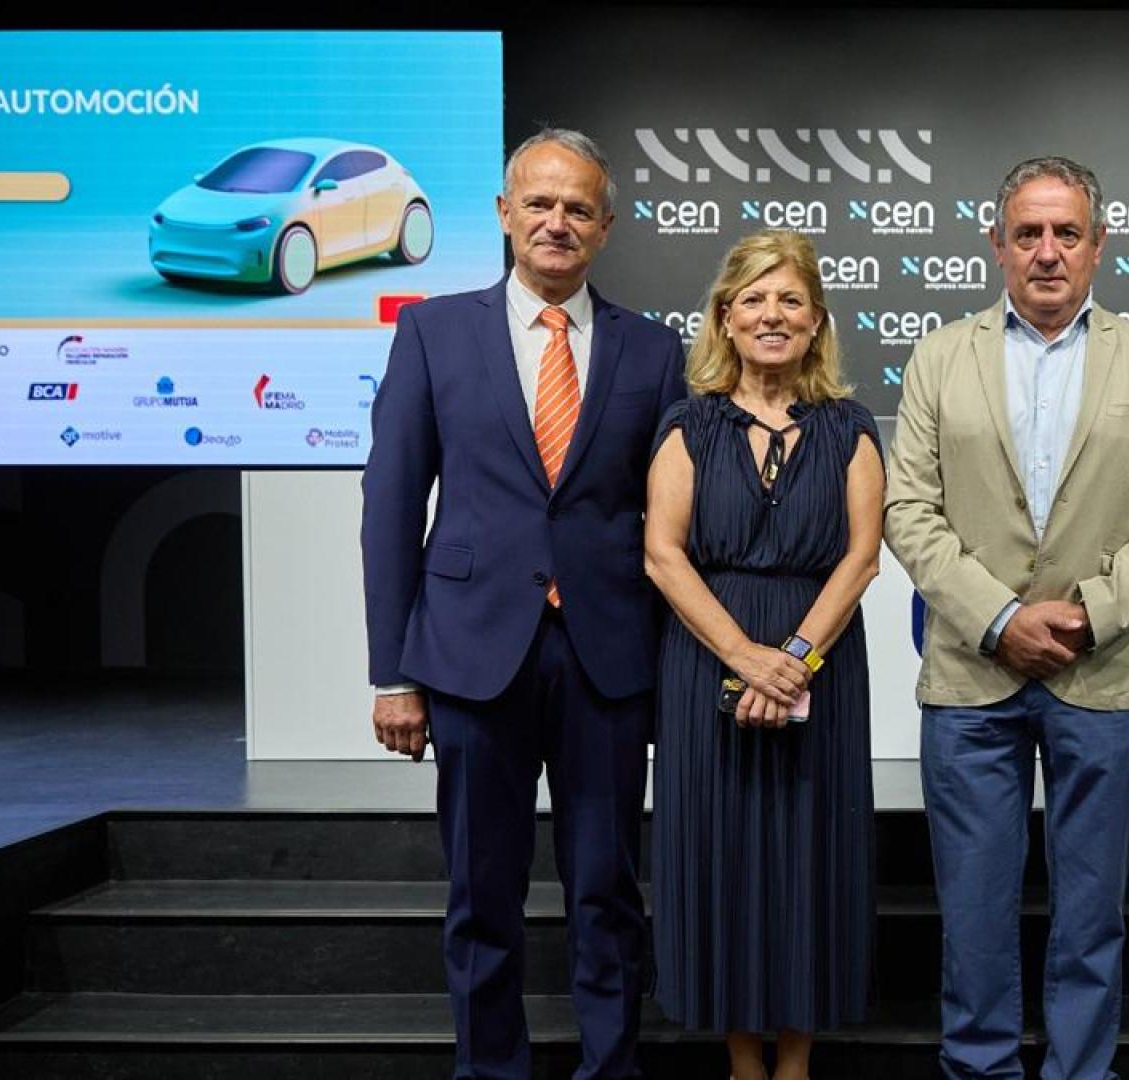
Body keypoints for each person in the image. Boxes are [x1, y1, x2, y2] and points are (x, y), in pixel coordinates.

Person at [361, 128, 686, 1080]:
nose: (557, 222)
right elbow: (391, 505)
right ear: (504, 214)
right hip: (467, 656)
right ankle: (488, 1068)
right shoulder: (433, 331)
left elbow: (671, 524)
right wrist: (393, 671)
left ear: (607, 227)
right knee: (481, 893)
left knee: (607, 892)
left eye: (578, 208)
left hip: (606, 660)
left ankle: (610, 1067)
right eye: (539, 204)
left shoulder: (653, 349)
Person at [885, 156, 1129, 1080]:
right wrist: (998, 619)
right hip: (971, 678)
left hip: (1099, 674)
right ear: (996, 244)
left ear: (1099, 245)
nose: (1048, 251)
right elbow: (909, 509)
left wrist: (1086, 614)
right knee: (976, 913)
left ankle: (1080, 1072)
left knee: (1091, 914)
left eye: (1068, 233)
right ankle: (979, 1068)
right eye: (1028, 233)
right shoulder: (941, 355)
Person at [645, 229, 883, 1080]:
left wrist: (794, 661)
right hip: (710, 654)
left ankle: (798, 1062)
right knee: (722, 860)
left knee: (810, 860)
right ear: (724, 318)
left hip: (817, 659)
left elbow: (860, 558)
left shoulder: (851, 428)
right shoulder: (687, 424)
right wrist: (746, 656)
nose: (772, 315)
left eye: (790, 300)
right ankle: (744, 1062)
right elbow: (662, 555)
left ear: (817, 321)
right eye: (753, 299)